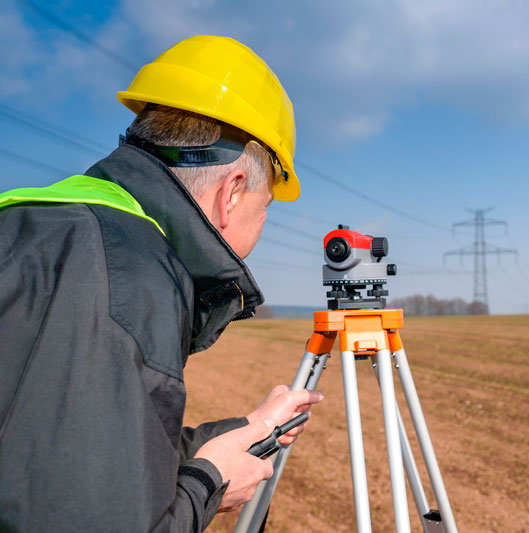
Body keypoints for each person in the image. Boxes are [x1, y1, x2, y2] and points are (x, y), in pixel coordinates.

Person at [0, 35, 324, 531]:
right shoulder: (126, 276)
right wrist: (209, 485)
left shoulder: (44, 226)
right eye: (267, 210)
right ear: (233, 192)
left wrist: (250, 431)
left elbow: (65, 452)